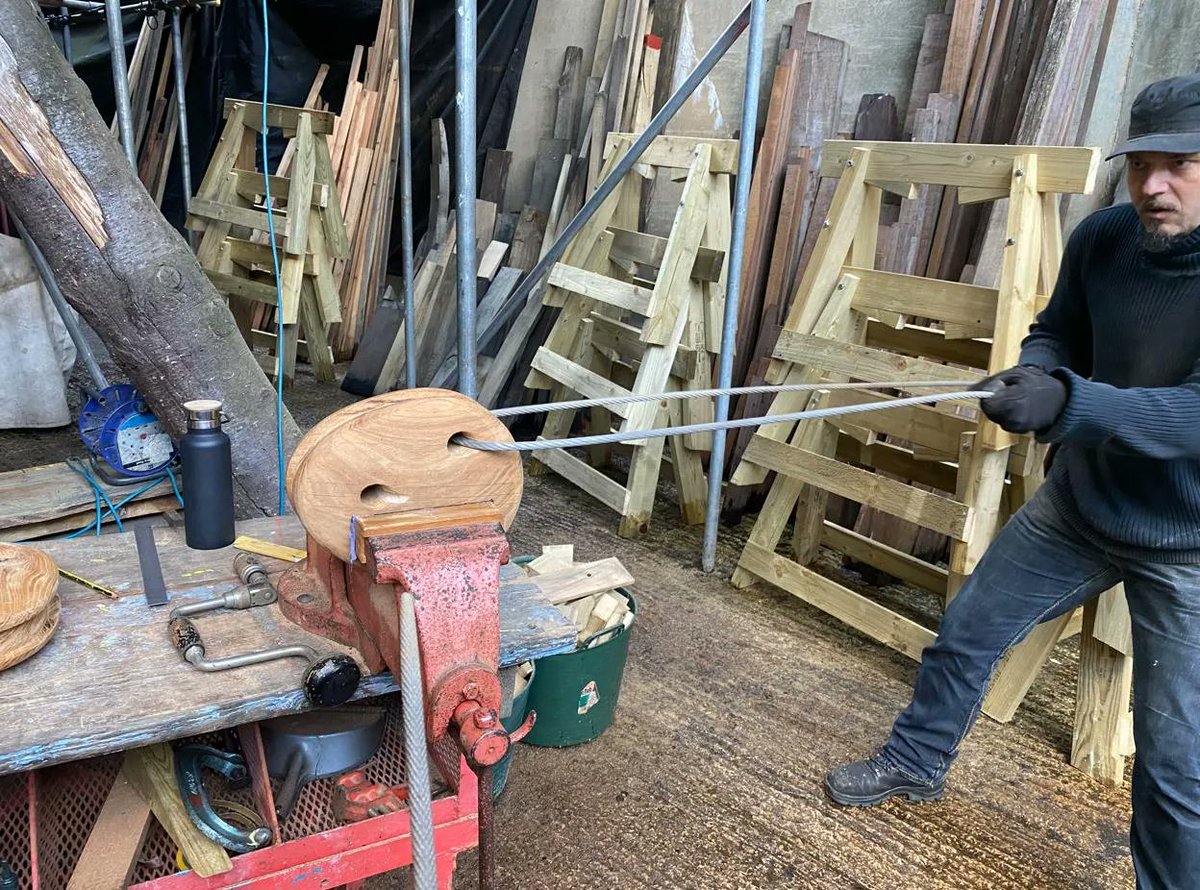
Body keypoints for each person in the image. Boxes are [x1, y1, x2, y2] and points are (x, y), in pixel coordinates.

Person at [823, 73, 1200, 890]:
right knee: (967, 631)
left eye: (1181, 163)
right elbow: (1057, 330)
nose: (1154, 185)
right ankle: (916, 761)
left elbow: (1193, 416)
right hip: (1082, 504)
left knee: (1176, 762)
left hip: (1186, 541)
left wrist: (1068, 402)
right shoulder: (1104, 238)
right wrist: (1033, 374)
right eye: (1141, 165)